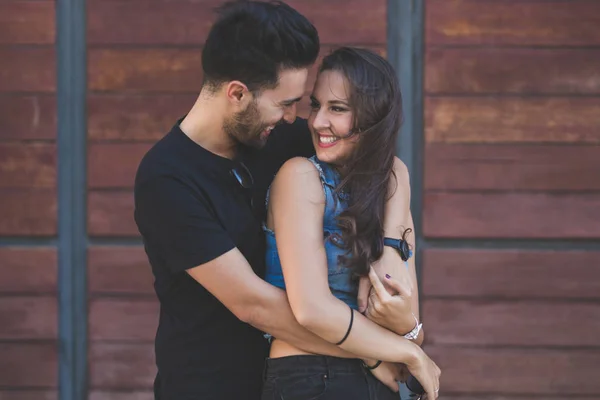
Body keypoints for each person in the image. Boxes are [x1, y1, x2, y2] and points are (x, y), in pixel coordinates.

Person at [133, 1, 437, 399]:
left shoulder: (279, 136)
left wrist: (391, 245)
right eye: (285, 103)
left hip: (296, 381)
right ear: (238, 94)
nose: (298, 118)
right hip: (209, 386)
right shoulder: (167, 177)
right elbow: (255, 304)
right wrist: (382, 354)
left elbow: (384, 165)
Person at [259, 47, 440, 400]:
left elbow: (413, 330)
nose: (316, 121)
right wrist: (404, 352)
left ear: (374, 118)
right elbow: (312, 310)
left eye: (337, 109)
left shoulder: (388, 193)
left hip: (381, 383)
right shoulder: (300, 177)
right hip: (311, 377)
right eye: (316, 105)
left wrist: (405, 327)